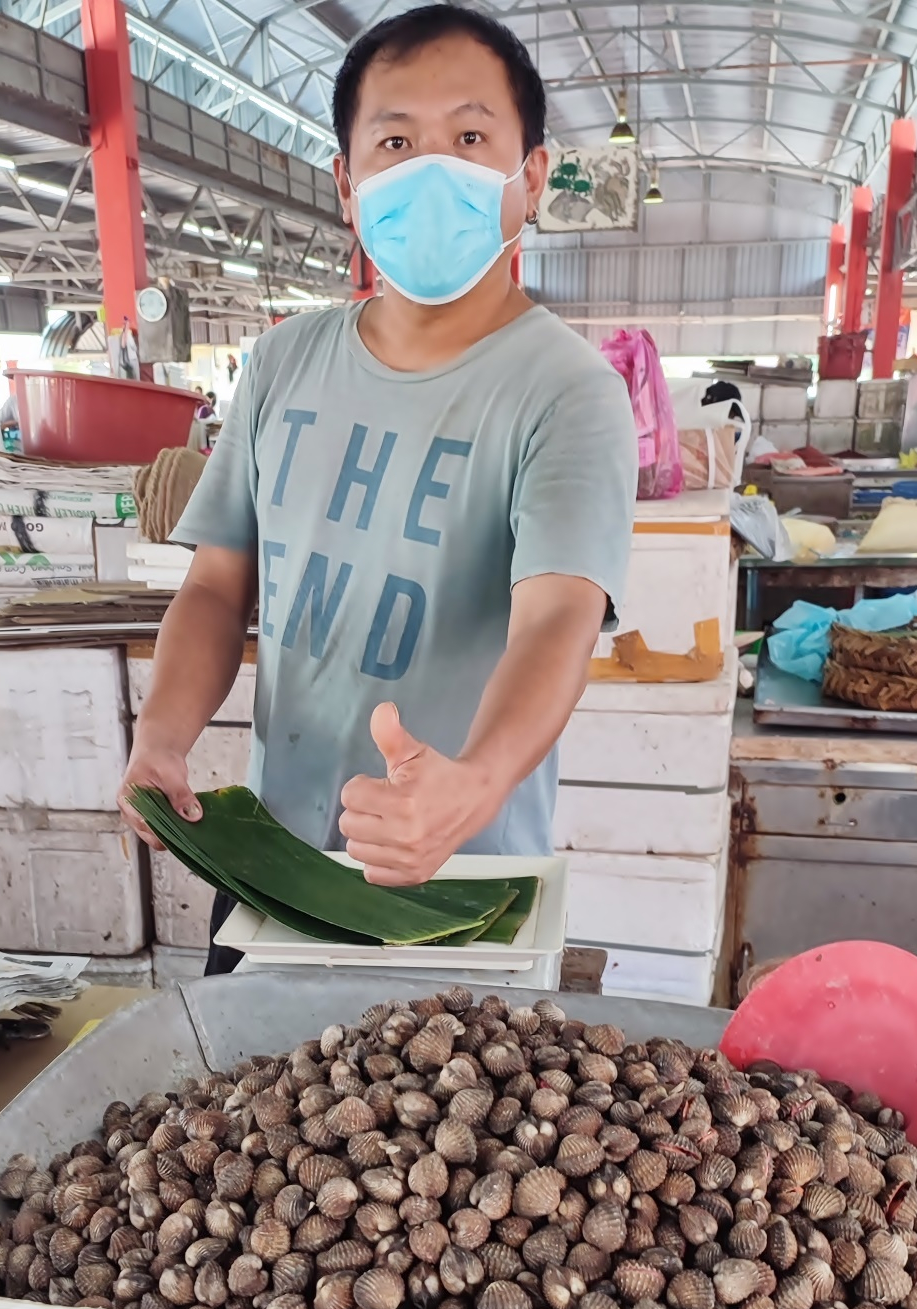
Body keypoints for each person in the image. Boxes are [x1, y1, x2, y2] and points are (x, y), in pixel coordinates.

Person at [119, 1, 638, 973]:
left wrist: (472, 784)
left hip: (452, 887)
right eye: (397, 139)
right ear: (349, 183)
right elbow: (216, 588)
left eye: (471, 136)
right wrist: (162, 735)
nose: (433, 167)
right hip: (274, 871)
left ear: (531, 175)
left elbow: (557, 621)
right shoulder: (279, 364)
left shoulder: (568, 392)